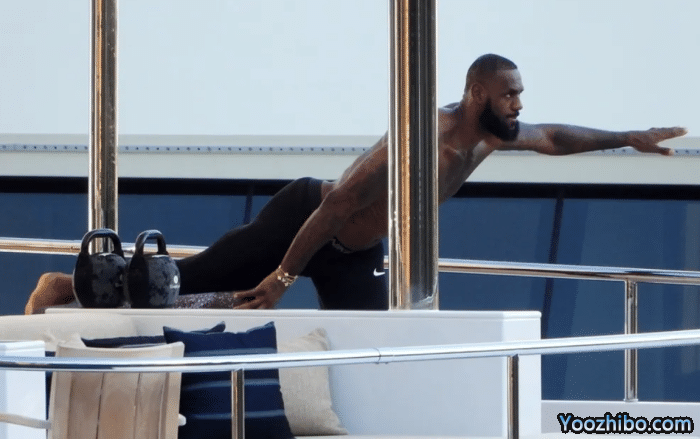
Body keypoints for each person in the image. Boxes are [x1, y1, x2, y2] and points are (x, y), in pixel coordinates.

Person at [25, 54, 687, 314]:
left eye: (521, 94)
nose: (520, 105)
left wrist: (630, 136)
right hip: (306, 217)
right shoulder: (424, 137)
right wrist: (284, 275)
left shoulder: (493, 134)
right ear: (477, 92)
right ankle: (62, 286)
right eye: (510, 94)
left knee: (371, 340)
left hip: (357, 252)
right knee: (181, 281)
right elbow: (341, 199)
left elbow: (557, 137)